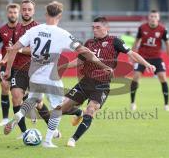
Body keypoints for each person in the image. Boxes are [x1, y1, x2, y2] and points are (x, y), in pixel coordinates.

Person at [2, 1, 113, 148]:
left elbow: (13, 49)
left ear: (46, 14)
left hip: (34, 75)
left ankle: (19, 115)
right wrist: (104, 66)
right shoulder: (63, 34)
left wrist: (8, 70)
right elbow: (85, 52)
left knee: (34, 99)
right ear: (60, 15)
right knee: (59, 108)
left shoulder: (34, 30)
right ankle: (47, 141)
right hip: (51, 77)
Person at [56, 16, 155, 147]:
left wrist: (147, 64)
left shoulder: (115, 41)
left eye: (98, 27)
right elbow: (79, 61)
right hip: (85, 82)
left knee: (91, 109)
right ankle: (78, 113)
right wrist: (62, 67)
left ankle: (73, 139)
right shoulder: (89, 43)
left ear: (106, 28)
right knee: (62, 109)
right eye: (93, 28)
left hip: (101, 84)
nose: (95, 30)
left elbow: (132, 54)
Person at [0, 0, 55, 139]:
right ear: (21, 11)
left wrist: (20, 48)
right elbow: (12, 50)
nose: (26, 12)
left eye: (29, 9)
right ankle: (24, 132)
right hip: (18, 69)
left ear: (33, 11)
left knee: (38, 103)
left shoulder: (39, 29)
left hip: (36, 70)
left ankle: (52, 129)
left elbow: (38, 51)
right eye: (24, 9)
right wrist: (8, 68)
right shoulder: (15, 29)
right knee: (16, 97)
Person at [130, 10, 169, 111]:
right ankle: (132, 103)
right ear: (148, 17)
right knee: (136, 77)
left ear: (158, 18)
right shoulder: (142, 28)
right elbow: (136, 42)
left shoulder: (163, 29)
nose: (153, 18)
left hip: (156, 57)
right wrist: (132, 55)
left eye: (155, 16)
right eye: (151, 16)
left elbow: (168, 44)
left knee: (163, 77)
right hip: (142, 57)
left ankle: (166, 105)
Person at [0, 3, 21, 127]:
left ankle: (22, 115)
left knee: (18, 93)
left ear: (18, 14)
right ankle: (5, 118)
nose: (12, 15)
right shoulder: (2, 30)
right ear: (7, 14)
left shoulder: (22, 29)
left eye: (15, 12)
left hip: (20, 64)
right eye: (11, 12)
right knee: (4, 86)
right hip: (5, 63)